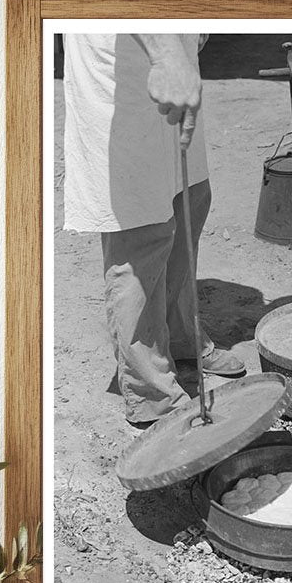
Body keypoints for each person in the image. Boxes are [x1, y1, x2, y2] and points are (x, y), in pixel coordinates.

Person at [63, 33, 244, 426]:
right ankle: (151, 393)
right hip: (122, 70)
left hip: (172, 57)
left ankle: (180, 337)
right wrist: (165, 57)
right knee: (141, 228)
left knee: (191, 198)